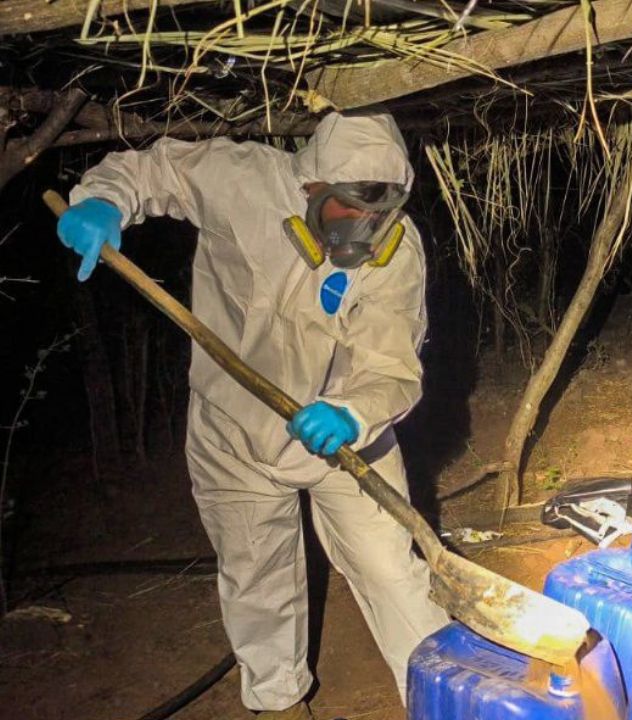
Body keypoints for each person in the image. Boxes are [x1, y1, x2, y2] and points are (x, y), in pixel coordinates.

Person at [55, 111, 448, 719]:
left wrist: (351, 411)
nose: (363, 231)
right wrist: (106, 198)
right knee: (255, 577)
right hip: (230, 434)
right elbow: (156, 169)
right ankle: (280, 704)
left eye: (380, 212)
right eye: (348, 210)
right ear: (310, 186)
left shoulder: (396, 256)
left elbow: (392, 369)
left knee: (394, 575)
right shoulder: (240, 179)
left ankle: (442, 701)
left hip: (343, 440)